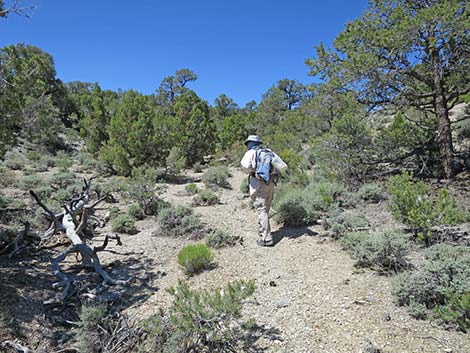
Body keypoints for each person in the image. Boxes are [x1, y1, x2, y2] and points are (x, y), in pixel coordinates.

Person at [240, 135, 281, 247]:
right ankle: (262, 229)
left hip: (258, 183)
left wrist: (253, 171)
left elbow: (244, 166)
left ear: (249, 143)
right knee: (266, 208)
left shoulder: (250, 153)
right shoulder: (268, 151)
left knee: (261, 210)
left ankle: (266, 239)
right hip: (271, 183)